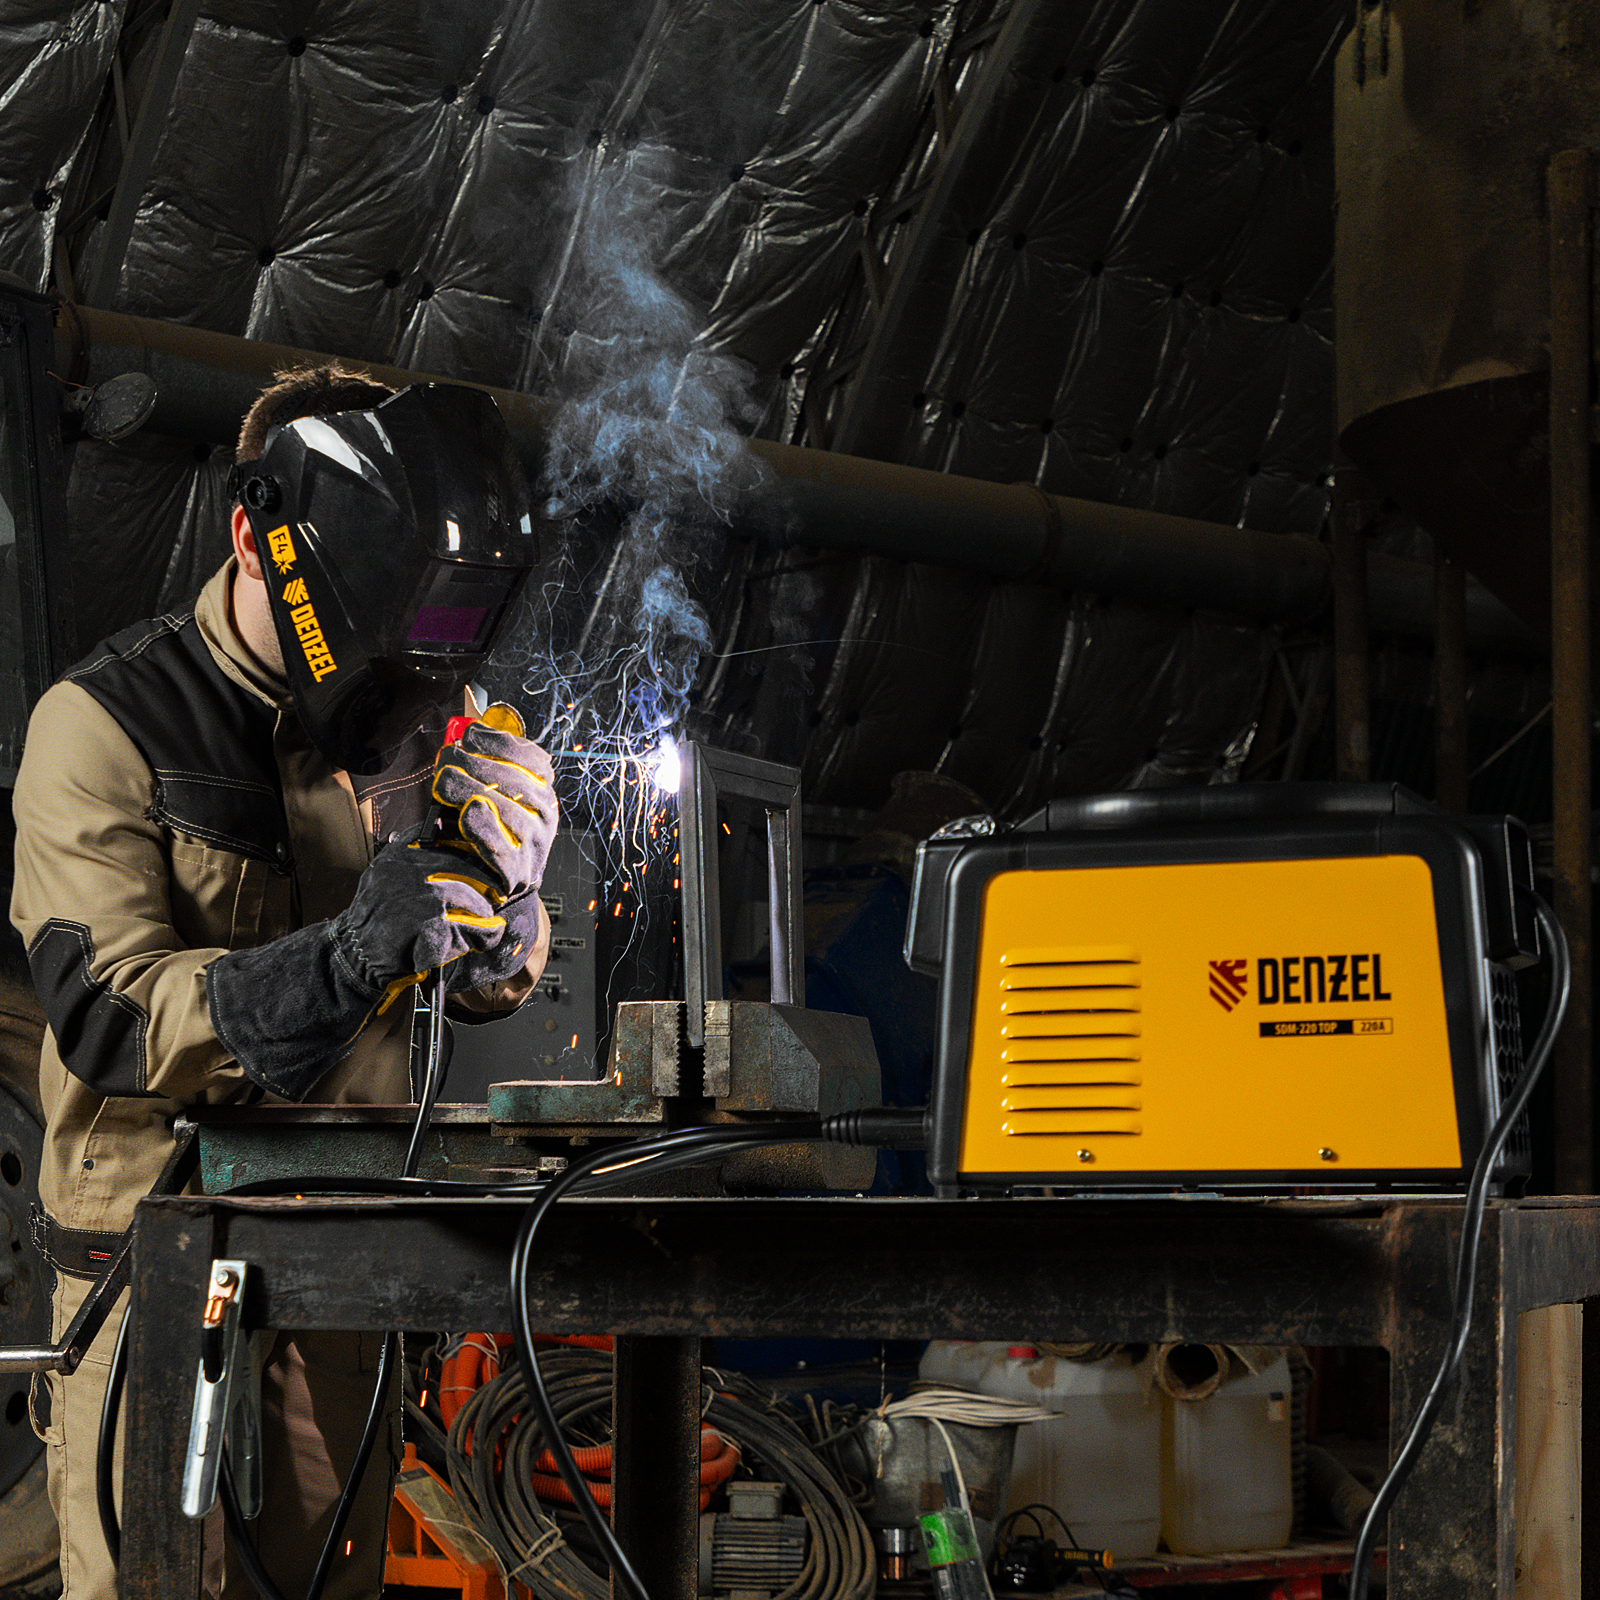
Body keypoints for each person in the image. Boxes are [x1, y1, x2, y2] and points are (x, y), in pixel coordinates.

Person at [10, 365, 557, 1600]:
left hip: (347, 1247)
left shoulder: (424, 710)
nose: (398, 654)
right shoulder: (105, 722)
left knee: (330, 1586)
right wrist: (349, 954)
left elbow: (480, 974)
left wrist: (506, 914)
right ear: (260, 537)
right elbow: (112, 1014)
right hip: (151, 1254)